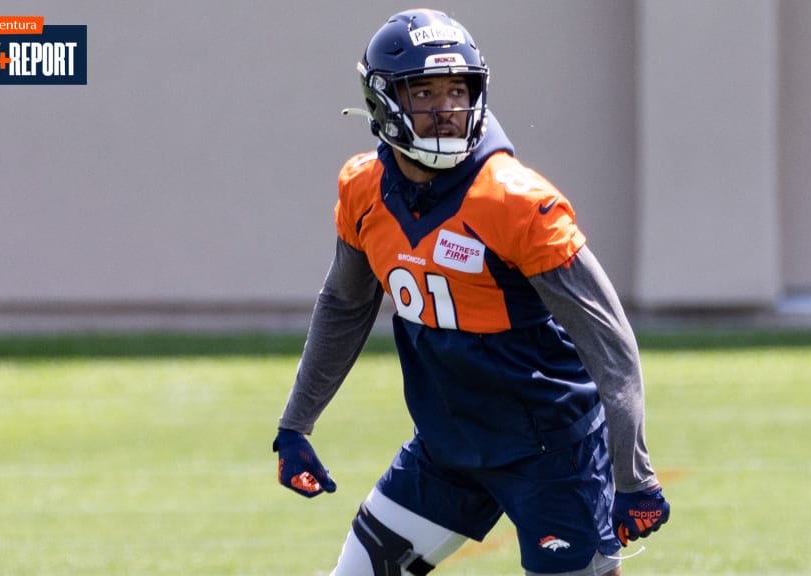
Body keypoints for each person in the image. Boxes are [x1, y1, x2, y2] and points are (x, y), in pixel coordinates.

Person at [273, 8, 670, 575]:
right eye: (424, 92)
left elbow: (612, 350)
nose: (445, 110)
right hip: (447, 447)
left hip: (550, 454)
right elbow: (345, 306)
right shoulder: (363, 188)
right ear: (383, 100)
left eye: (457, 89)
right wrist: (295, 425)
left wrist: (634, 476)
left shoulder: (516, 202)